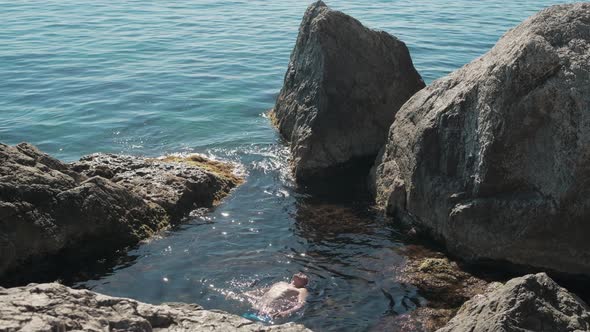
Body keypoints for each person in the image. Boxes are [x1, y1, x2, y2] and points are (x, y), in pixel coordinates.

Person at [245, 273, 309, 320]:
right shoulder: (281, 283)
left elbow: (301, 304)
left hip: (269, 314)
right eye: (299, 273)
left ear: (304, 283)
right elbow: (263, 291)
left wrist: (285, 312)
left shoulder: (302, 289)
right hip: (257, 307)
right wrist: (248, 293)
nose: (301, 273)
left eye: (304, 275)